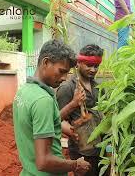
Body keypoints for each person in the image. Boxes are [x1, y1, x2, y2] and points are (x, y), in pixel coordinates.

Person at [13, 39, 91, 176]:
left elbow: (43, 120)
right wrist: (75, 164)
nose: (64, 78)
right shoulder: (43, 100)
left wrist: (73, 104)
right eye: (62, 71)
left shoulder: (24, 91)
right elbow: (43, 162)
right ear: (46, 62)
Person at [56, 44, 104, 176]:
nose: (93, 69)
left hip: (101, 149)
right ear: (78, 63)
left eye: (96, 66)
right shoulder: (67, 88)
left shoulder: (99, 87)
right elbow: (58, 119)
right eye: (89, 65)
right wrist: (73, 132)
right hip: (82, 152)